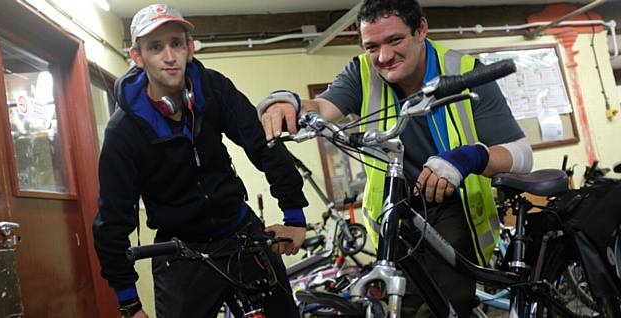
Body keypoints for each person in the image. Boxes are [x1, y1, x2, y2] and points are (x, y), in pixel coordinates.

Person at [257, 0, 533, 316]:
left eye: (395, 40)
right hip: (396, 212)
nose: (383, 57)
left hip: (453, 206)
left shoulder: (466, 71)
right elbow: (322, 108)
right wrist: (289, 103)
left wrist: (468, 157)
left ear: (421, 30)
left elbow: (522, 155)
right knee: (399, 306)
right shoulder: (361, 72)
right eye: (372, 46)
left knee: (443, 307)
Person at [92, 4, 308, 318]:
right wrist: (129, 302)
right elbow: (112, 220)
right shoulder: (123, 132)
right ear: (137, 56)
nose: (169, 56)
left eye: (176, 43)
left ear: (189, 48)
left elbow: (264, 145)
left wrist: (294, 215)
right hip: (180, 251)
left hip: (239, 231)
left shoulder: (213, 88)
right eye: (155, 47)